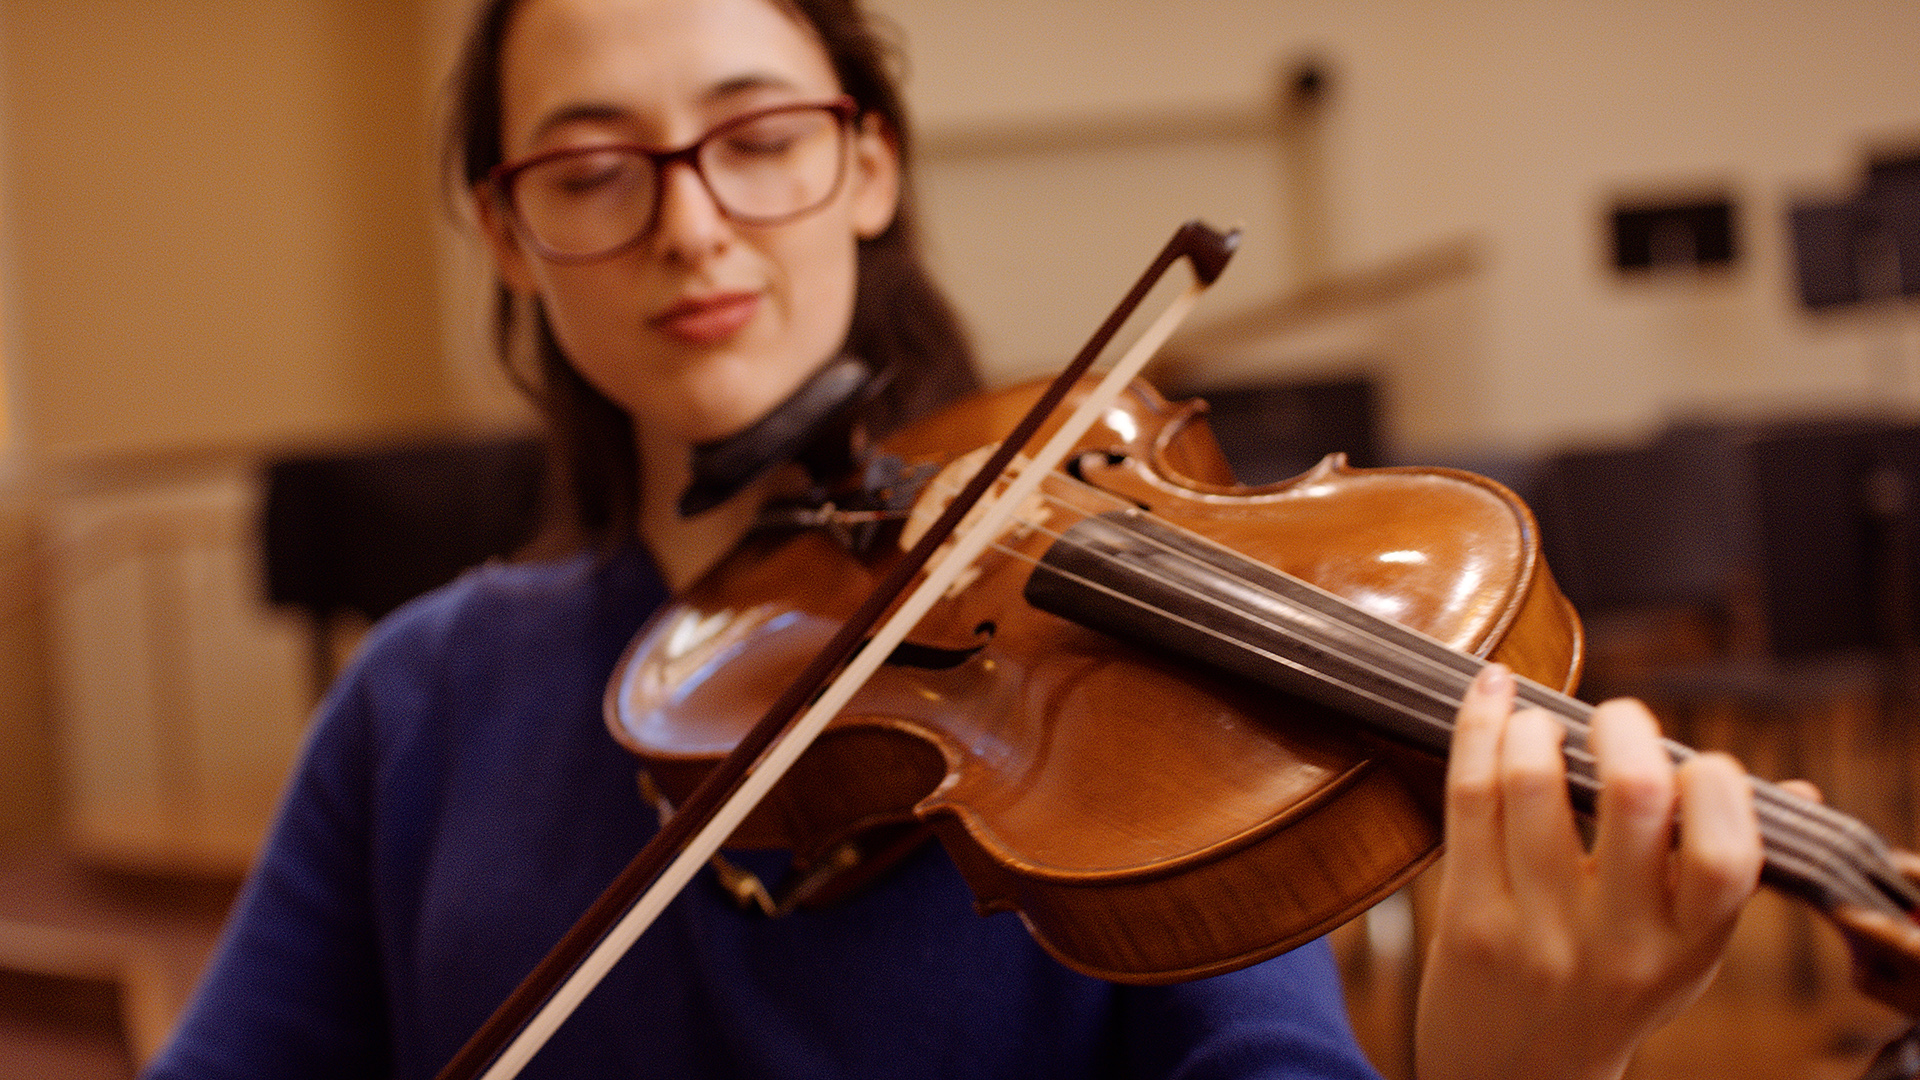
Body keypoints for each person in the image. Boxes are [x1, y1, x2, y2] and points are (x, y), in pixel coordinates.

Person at [141, 0, 1766, 1077]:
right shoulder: (420, 700)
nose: (691, 220)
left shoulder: (1107, 676)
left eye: (758, 135)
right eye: (590, 168)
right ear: (507, 231)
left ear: (867, 161)